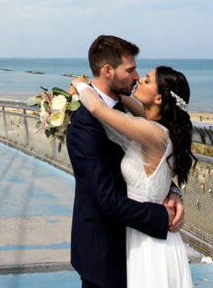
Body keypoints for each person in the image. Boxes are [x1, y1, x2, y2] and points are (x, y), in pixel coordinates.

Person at [65, 35, 186, 288]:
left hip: (138, 242)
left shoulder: (122, 113)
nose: (136, 76)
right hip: (105, 249)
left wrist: (171, 190)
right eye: (130, 70)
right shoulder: (84, 122)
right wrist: (161, 216)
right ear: (108, 71)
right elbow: (105, 199)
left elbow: (149, 164)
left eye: (141, 74)